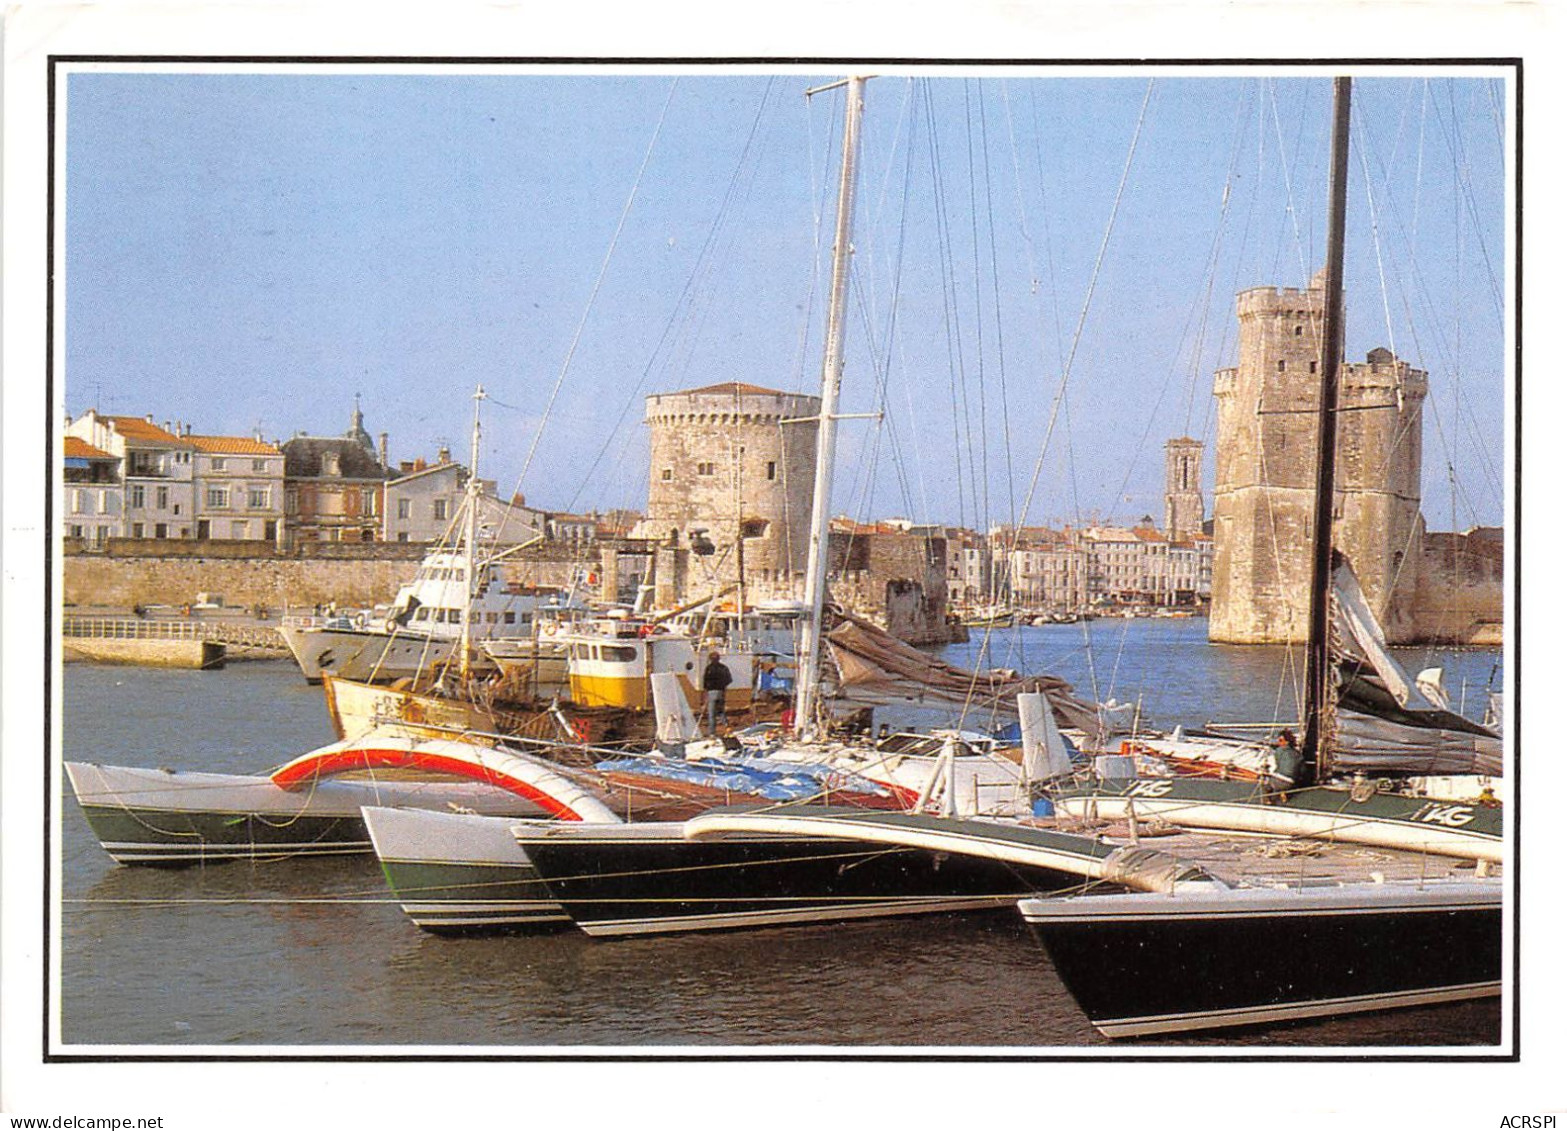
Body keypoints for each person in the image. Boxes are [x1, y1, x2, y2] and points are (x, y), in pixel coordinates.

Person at [701, 650, 733, 735]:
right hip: (721, 692)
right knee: (721, 711)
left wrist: (705, 695)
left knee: (711, 714)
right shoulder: (724, 668)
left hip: (711, 692)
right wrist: (723, 685)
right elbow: (729, 679)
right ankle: (727, 727)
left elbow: (705, 682)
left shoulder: (709, 668)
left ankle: (712, 733)